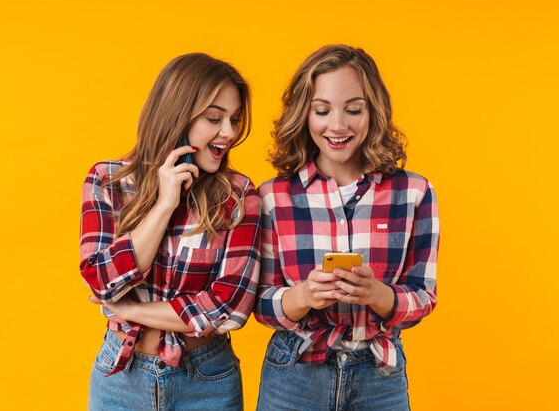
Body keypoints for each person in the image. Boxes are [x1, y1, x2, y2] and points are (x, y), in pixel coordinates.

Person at [254, 44, 439, 411]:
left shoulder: (414, 192)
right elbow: (258, 300)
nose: (338, 125)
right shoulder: (273, 197)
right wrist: (304, 296)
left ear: (374, 112)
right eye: (322, 111)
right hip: (293, 374)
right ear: (303, 115)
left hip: (379, 376)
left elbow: (423, 295)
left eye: (353, 110)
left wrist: (377, 294)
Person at [79, 53, 261, 411]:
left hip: (207, 378)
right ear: (177, 114)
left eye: (234, 119)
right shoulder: (107, 181)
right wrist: (163, 206)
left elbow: (228, 307)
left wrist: (127, 308)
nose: (229, 132)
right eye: (214, 118)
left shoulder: (239, 195)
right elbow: (99, 279)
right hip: (120, 375)